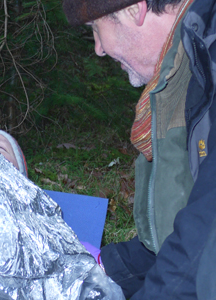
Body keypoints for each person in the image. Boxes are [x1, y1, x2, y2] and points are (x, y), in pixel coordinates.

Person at [63, 0, 216, 299]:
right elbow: (180, 233)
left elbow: (206, 241)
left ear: (134, 9)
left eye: (96, 27)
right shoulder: (183, 72)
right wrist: (104, 269)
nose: (98, 48)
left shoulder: (209, 57)